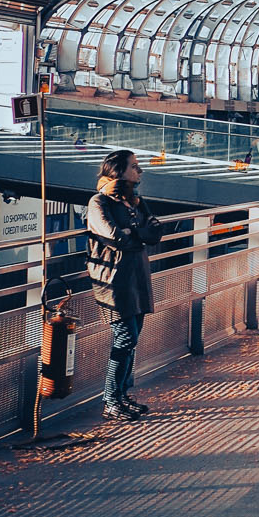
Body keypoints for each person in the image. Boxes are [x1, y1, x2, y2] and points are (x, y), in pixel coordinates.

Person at [86, 149, 164, 422]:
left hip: (137, 276)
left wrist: (134, 234)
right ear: (118, 170)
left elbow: (156, 232)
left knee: (133, 338)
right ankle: (109, 399)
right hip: (112, 280)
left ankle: (121, 395)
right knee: (125, 337)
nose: (140, 171)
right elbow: (112, 235)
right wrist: (135, 236)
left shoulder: (136, 202)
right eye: (134, 166)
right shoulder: (99, 202)